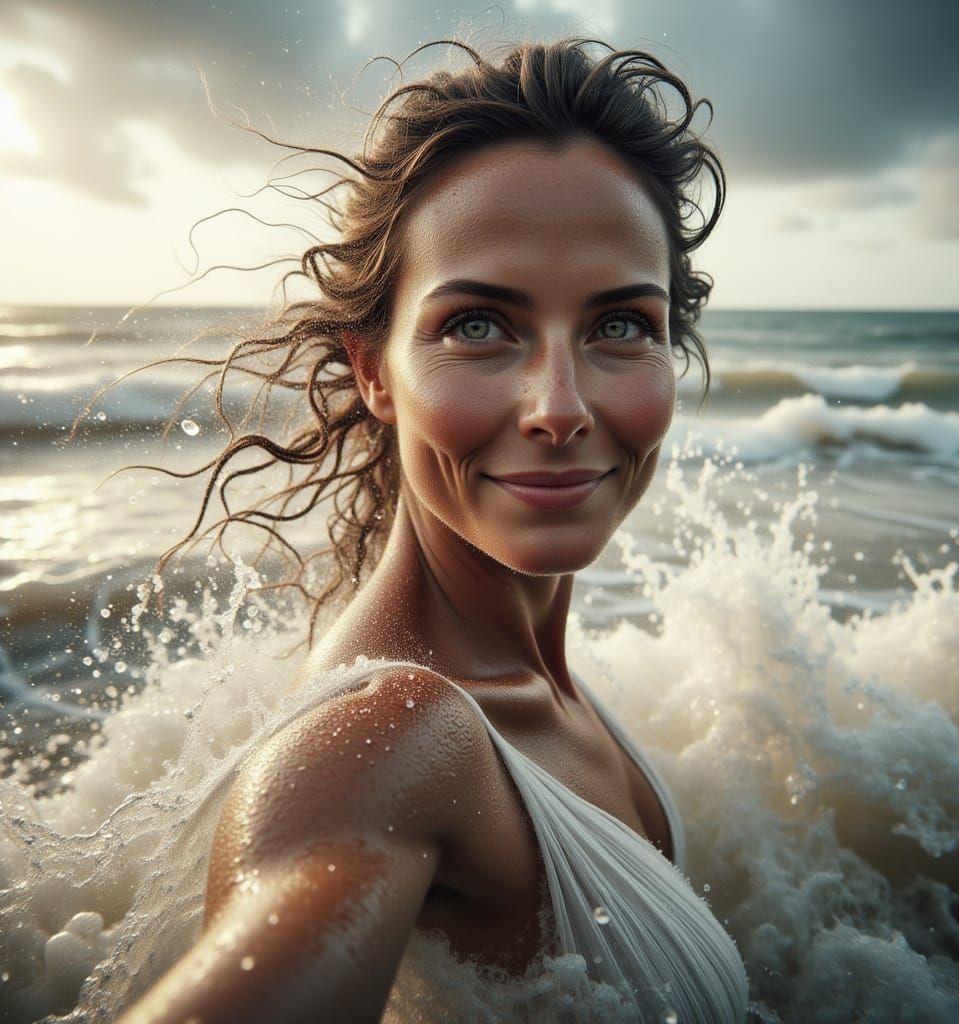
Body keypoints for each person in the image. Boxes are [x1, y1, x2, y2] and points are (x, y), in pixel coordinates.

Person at [117, 36, 748, 1023]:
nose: (559, 407)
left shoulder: (527, 684)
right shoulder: (392, 744)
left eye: (620, 324)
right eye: (478, 325)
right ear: (373, 372)